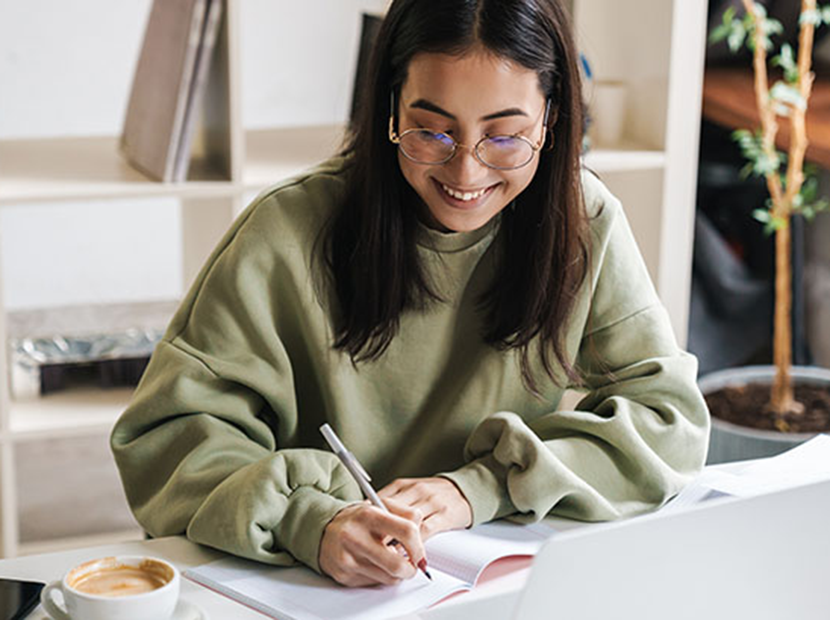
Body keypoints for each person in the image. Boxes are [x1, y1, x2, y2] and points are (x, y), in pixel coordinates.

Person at [111, 0, 710, 588]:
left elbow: (671, 419)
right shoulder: (286, 230)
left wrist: (480, 488)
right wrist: (308, 521)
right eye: (432, 131)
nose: (466, 173)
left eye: (505, 137)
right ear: (389, 108)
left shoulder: (583, 222)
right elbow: (168, 442)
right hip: (303, 588)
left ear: (551, 119)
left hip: (481, 584)